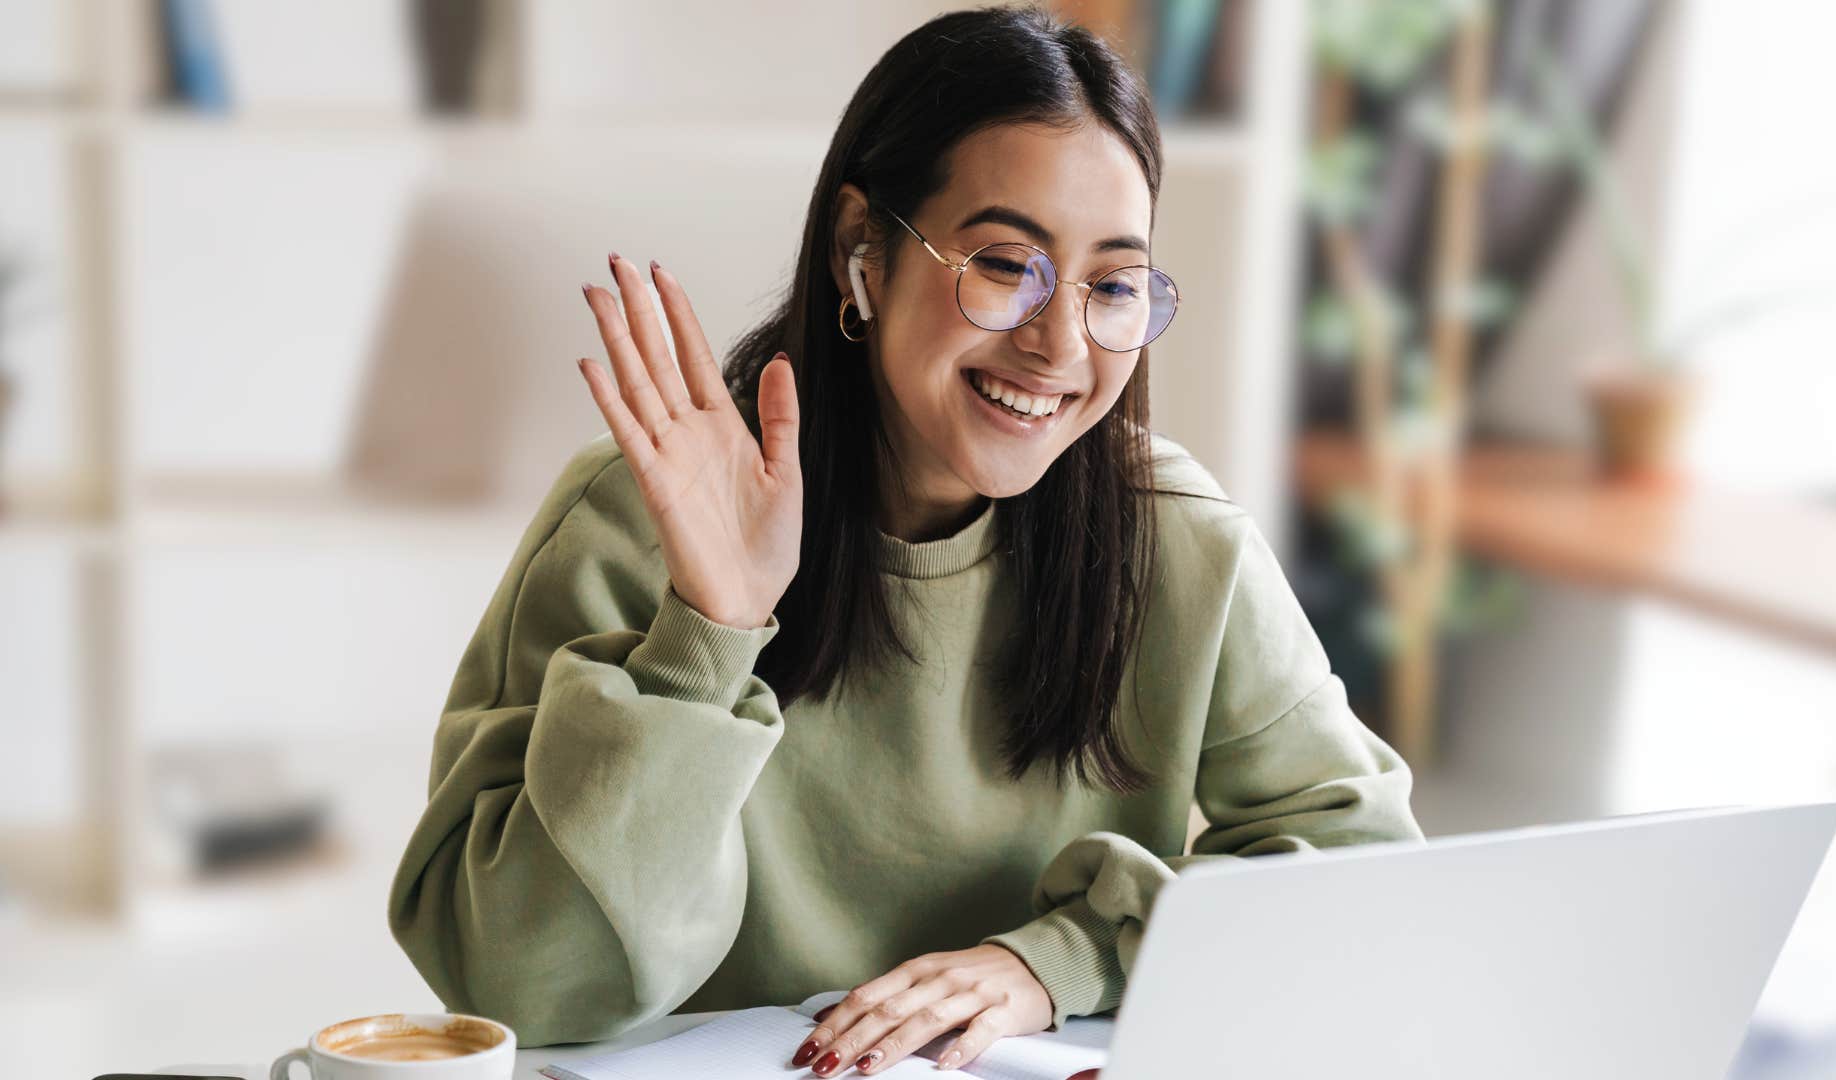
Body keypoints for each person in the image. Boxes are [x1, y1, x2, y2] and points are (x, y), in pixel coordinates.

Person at [387, 4, 1423, 1075]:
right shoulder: (638, 518)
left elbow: (1368, 877)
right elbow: (519, 986)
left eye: (1112, 285)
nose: (1059, 343)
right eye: (1003, 263)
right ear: (863, 253)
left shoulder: (1175, 540)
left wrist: (1063, 958)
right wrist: (711, 632)